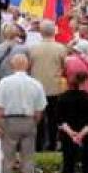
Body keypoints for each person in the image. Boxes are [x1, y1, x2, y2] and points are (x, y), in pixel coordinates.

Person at [0, 54, 46, 173]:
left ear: (12, 65)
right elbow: (39, 110)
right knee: (28, 160)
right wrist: (34, 123)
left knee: (7, 160)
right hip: (28, 121)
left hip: (9, 121)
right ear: (27, 65)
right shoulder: (36, 84)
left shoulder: (4, 82)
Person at [28, 21, 67, 151]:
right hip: (54, 88)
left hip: (36, 89)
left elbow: (28, 67)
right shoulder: (61, 48)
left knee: (38, 119)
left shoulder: (32, 48)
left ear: (40, 32)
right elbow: (64, 66)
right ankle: (52, 145)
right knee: (53, 119)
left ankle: (38, 145)